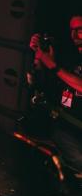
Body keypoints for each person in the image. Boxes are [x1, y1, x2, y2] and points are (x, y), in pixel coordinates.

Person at [29, 15, 82, 172]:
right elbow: (43, 84)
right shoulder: (70, 56)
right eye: (72, 30)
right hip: (64, 127)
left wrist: (52, 64)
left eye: (79, 30)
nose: (74, 35)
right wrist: (39, 56)